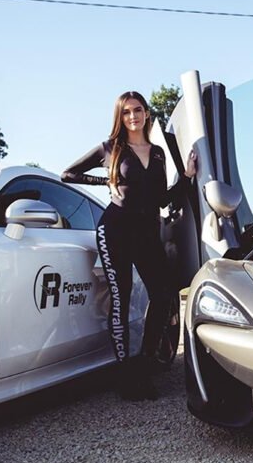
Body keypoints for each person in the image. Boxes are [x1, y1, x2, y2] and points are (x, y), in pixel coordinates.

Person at [61, 91, 196, 400]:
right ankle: (125, 377)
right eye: (126, 112)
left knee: (162, 296)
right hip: (115, 230)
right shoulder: (111, 148)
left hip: (148, 232)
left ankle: (144, 367)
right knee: (120, 301)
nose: (133, 116)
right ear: (120, 117)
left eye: (137, 110)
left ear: (146, 114)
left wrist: (187, 178)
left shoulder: (158, 153)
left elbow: (162, 200)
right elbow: (67, 174)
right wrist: (107, 181)